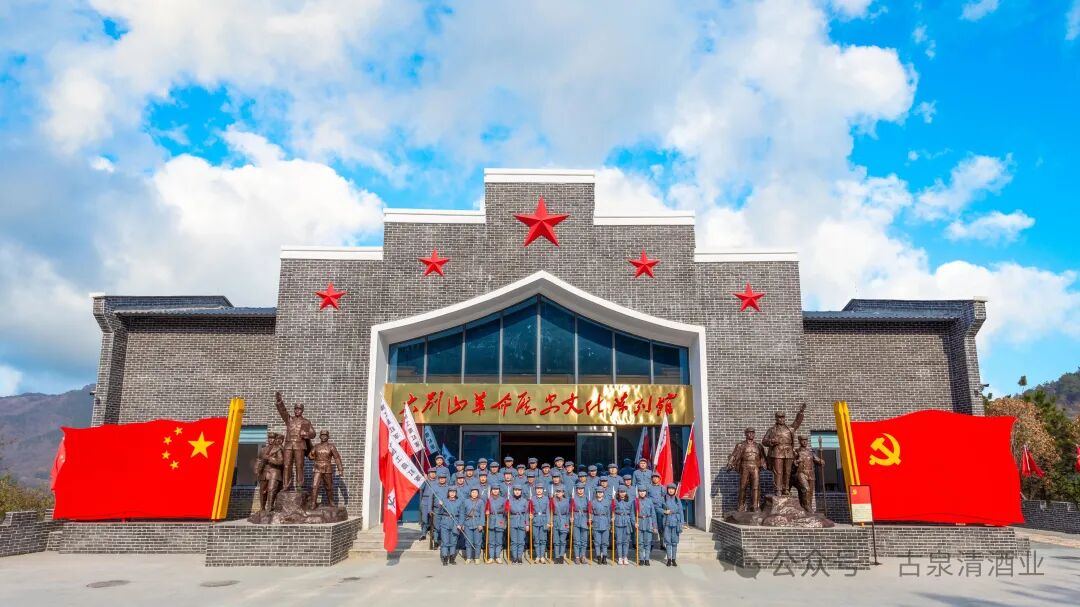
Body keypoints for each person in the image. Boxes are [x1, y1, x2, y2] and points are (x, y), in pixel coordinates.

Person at [761, 403, 806, 496]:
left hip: (788, 452)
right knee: (778, 472)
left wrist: (801, 412)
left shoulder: (790, 429)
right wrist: (772, 441)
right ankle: (778, 489)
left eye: (783, 417)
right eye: (779, 418)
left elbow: (797, 422)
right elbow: (764, 441)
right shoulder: (772, 430)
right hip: (777, 452)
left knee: (787, 471)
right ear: (776, 419)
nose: (781, 419)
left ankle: (786, 488)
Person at [727, 427, 767, 512]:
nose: (751, 434)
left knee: (755, 487)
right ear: (745, 434)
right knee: (743, 487)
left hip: (755, 467)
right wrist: (730, 462)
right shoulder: (740, 445)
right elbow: (734, 455)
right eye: (749, 432)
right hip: (745, 466)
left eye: (753, 433)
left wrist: (764, 463)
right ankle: (741, 506)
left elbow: (763, 457)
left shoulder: (758, 446)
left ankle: (755, 506)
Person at [793, 435, 824, 513]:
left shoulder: (811, 453)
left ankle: (807, 508)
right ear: (799, 441)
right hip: (801, 473)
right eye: (803, 440)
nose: (804, 442)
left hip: (811, 474)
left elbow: (818, 461)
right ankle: (806, 506)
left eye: (806, 440)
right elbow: (792, 463)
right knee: (806, 489)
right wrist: (797, 461)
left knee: (810, 492)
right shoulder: (796, 452)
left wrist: (821, 461)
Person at [661, 483, 684, 567]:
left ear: (675, 490)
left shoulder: (677, 499)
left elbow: (681, 511)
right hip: (667, 521)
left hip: (676, 522)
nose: (671, 490)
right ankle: (669, 559)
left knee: (674, 542)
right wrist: (664, 511)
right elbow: (658, 508)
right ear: (667, 490)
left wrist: (681, 522)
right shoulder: (663, 498)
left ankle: (674, 559)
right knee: (668, 541)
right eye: (669, 489)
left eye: (672, 489)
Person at [438, 487, 462, 565]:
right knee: (445, 541)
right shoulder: (444, 501)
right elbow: (439, 512)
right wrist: (440, 505)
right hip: (445, 522)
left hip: (455, 522)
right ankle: (445, 557)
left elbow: (461, 514)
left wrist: (460, 524)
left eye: (454, 492)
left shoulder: (459, 501)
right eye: (450, 492)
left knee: (453, 541)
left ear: (456, 493)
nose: (452, 493)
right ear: (448, 493)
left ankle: (452, 557)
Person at [589, 486, 612, 565]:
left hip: (605, 522)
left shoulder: (607, 502)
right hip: (596, 522)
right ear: (596, 493)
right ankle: (598, 557)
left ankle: (604, 557)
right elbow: (591, 513)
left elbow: (608, 514)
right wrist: (591, 519)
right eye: (598, 492)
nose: (599, 493)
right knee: (597, 542)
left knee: (605, 542)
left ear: (603, 493)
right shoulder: (592, 502)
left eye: (601, 492)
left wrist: (609, 524)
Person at [486, 486, 508, 563]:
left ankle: (498, 557)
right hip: (491, 520)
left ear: (499, 490)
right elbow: (485, 508)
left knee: (499, 540)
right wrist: (486, 511)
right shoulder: (488, 499)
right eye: (494, 489)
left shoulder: (503, 499)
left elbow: (505, 511)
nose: (495, 491)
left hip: (500, 520)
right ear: (491, 490)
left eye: (497, 489)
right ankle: (491, 557)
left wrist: (507, 510)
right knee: (491, 540)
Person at [530, 484, 552, 563]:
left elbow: (548, 511)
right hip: (535, 520)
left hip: (544, 520)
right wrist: (531, 515)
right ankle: (537, 556)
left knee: (543, 540)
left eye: (540, 489)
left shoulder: (546, 499)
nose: (539, 490)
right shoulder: (532, 499)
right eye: (537, 488)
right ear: (535, 490)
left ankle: (542, 556)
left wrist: (548, 522)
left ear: (543, 490)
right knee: (536, 539)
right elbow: (530, 510)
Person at [635, 485, 656, 566]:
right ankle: (641, 559)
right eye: (640, 491)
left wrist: (654, 526)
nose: (642, 493)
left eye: (643, 491)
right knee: (640, 542)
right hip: (639, 522)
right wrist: (635, 522)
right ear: (638, 492)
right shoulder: (635, 501)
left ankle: (647, 559)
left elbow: (653, 514)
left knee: (648, 542)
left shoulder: (649, 501)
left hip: (648, 522)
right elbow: (633, 514)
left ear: (646, 492)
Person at [508, 485, 530, 564]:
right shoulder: (509, 500)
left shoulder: (524, 501)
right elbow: (506, 512)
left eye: (519, 490)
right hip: (513, 521)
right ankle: (514, 557)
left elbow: (526, 513)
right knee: (514, 541)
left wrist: (527, 524)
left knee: (521, 541)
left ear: (521, 491)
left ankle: (519, 557)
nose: (517, 492)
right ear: (513, 491)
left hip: (522, 521)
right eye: (515, 490)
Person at [463, 487, 485, 564]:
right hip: (468, 522)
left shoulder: (481, 502)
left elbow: (482, 514)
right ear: (470, 493)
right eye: (472, 492)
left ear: (478, 493)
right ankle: (468, 557)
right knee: (468, 542)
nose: (474, 494)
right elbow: (462, 513)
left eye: (475, 492)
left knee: (477, 542)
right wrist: (462, 524)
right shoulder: (466, 501)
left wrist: (481, 524)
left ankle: (477, 557)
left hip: (477, 522)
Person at [613, 486, 633, 565]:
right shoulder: (615, 501)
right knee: (619, 541)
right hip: (618, 521)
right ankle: (620, 557)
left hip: (627, 521)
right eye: (621, 492)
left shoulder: (630, 501)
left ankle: (625, 557)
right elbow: (612, 511)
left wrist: (633, 522)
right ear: (618, 493)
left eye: (624, 492)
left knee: (626, 541)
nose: (622, 493)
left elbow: (632, 513)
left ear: (626, 492)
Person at [570, 483, 590, 564]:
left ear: (584, 489)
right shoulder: (573, 498)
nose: (580, 490)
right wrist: (571, 517)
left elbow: (590, 509)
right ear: (576, 489)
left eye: (581, 488)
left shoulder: (587, 498)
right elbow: (570, 509)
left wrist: (590, 518)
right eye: (578, 488)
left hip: (584, 519)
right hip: (576, 519)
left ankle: (583, 556)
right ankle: (577, 557)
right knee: (576, 540)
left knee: (584, 540)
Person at [551, 486, 571, 564]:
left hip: (564, 520)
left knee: (562, 540)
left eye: (560, 492)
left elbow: (568, 513)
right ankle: (556, 556)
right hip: (555, 520)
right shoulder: (553, 500)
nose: (558, 493)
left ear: (563, 493)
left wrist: (567, 523)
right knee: (556, 541)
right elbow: (550, 511)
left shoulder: (566, 501)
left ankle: (561, 556)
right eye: (557, 491)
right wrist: (550, 521)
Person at [432, 471, 450, 548]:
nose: (442, 480)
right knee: (436, 526)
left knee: (444, 527)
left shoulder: (449, 488)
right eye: (440, 478)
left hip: (446, 510)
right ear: (438, 479)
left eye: (443, 478)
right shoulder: (434, 487)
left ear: (446, 479)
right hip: (436, 509)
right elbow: (430, 499)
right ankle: (436, 541)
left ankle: (444, 542)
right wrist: (429, 509)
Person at [420, 467, 439, 541]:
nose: (433, 474)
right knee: (424, 518)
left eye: (434, 473)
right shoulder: (426, 481)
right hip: (426, 500)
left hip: (434, 501)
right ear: (429, 474)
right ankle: (423, 533)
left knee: (434, 519)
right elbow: (421, 488)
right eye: (431, 473)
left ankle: (434, 534)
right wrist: (424, 480)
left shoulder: (438, 481)